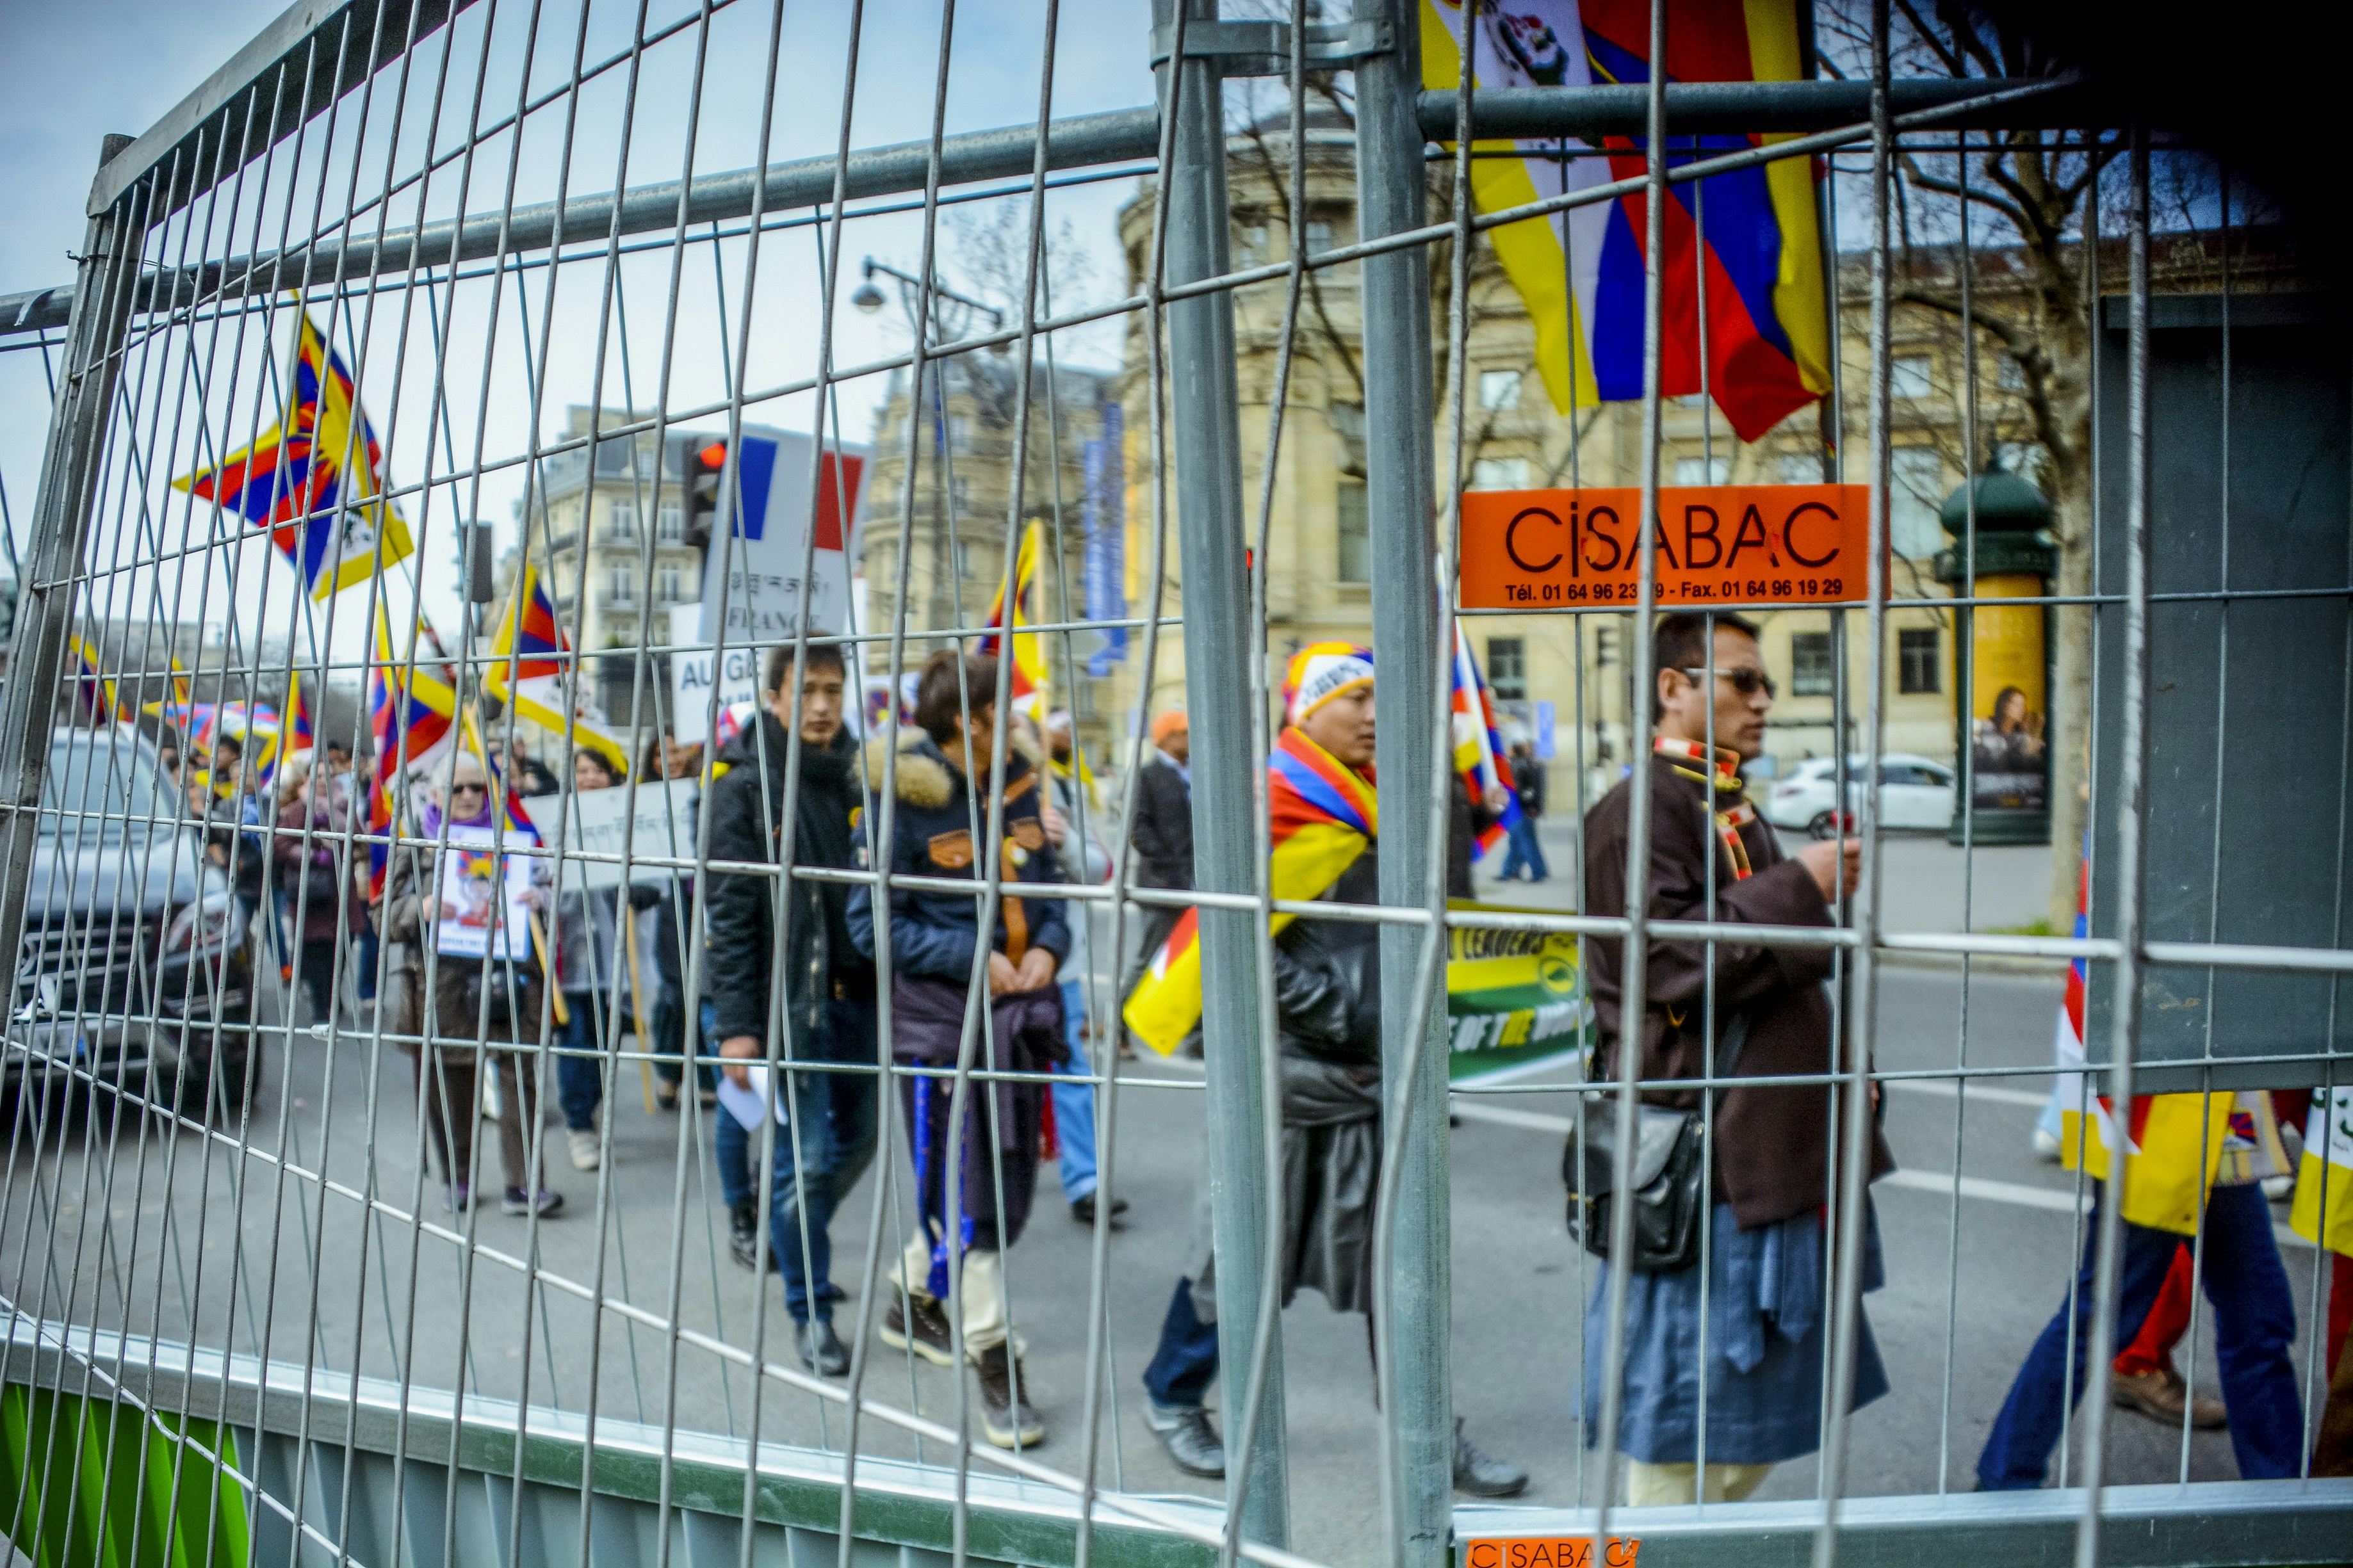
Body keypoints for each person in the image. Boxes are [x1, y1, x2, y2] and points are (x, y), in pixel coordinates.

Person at [1128, 643, 1527, 1498]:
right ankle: (1169, 1396)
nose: (1375, 716)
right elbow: (1238, 949)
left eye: (1383, 700)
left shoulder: (1376, 796)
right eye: (1357, 700)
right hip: (1288, 1079)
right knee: (1236, 1259)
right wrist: (1351, 1018)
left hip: (1372, 1076)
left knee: (1403, 1261)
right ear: (1307, 710)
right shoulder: (1273, 800)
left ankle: (1427, 1432)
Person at [1579, 611, 1884, 1507]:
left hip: (1761, 1154)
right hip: (1709, 1164)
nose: (1763, 699)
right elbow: (1667, 967)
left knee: (1742, 1434)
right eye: (1741, 679)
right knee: (1684, 1433)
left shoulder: (1720, 796)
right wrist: (1804, 885)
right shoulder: (1639, 810)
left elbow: (1757, 969)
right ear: (1673, 688)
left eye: (1765, 684)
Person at [848, 649, 1069, 1450]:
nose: (1014, 721)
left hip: (1019, 1019)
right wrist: (975, 961)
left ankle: (912, 1296)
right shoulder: (894, 797)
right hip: (942, 1027)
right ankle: (990, 1355)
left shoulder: (1020, 779)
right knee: (974, 1196)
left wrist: (1050, 945)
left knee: (988, 1188)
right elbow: (869, 925)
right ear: (964, 724)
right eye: (1000, 712)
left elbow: (1050, 889)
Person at [1977, 1086, 2303, 1489]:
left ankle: (2281, 1500)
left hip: (2211, 1127)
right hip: (2163, 1133)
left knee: (2258, 1324)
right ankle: (2003, 1480)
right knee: (2098, 1321)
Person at [704, 642, 877, 1377]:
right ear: (774, 696)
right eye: (806, 689)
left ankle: (788, 1239)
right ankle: (810, 1309)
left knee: (859, 1146)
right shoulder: (744, 788)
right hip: (790, 1008)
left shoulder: (867, 776)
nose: (821, 704)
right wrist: (738, 1029)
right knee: (804, 1162)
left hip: (861, 1003)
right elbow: (731, 917)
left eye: (833, 689)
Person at [375, 753, 561, 1218]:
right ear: (437, 794)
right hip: (442, 986)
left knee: (521, 1078)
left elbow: (554, 898)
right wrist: (421, 907)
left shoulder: (517, 839)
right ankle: (459, 1177)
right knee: (452, 1085)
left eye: (476, 787)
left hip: (511, 980)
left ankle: (524, 1184)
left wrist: (539, 899)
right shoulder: (416, 845)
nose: (467, 796)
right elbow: (382, 916)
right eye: (457, 788)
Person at [1016, 712, 1125, 1229]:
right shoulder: (963, 794)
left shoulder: (1059, 791)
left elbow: (1101, 869)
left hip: (1061, 966)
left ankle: (1087, 1183)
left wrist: (1065, 840)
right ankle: (986, 1183)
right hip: (991, 969)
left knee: (1073, 1071)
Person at [554, 748, 661, 1173]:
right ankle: (578, 1123)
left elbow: (653, 870)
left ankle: (592, 1105)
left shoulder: (628, 819)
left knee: (605, 1040)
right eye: (581, 769)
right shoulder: (554, 820)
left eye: (598, 770)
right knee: (575, 1040)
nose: (590, 777)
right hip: (570, 956)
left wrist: (645, 889)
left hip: (615, 956)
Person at [1124, 709, 1194, 1053]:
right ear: (1166, 738)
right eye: (1185, 732)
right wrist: (1171, 868)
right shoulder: (1147, 776)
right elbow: (1137, 828)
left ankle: (1195, 1035)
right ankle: (1120, 1023)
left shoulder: (1195, 773)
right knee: (1151, 957)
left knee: (1193, 958)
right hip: (1162, 887)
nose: (1192, 738)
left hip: (1194, 885)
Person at [273, 759, 361, 1027]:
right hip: (309, 892)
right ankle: (321, 1004)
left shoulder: (345, 807)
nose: (323, 781)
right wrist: (312, 855)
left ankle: (332, 996)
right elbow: (280, 844)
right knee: (314, 950)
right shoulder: (296, 810)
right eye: (318, 775)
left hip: (341, 892)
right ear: (308, 780)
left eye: (328, 775)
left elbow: (361, 841)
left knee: (341, 948)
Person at [1497, 740, 1549, 883]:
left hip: (1518, 809)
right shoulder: (1527, 764)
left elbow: (1516, 789)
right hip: (1525, 809)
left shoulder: (1516, 765)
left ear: (1514, 750)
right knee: (1518, 842)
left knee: (1524, 842)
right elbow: (1533, 789)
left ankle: (1535, 873)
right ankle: (1508, 872)